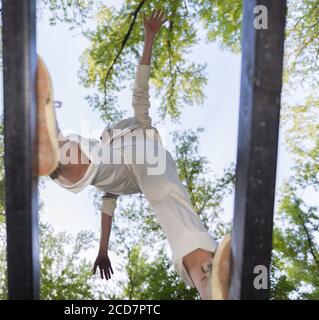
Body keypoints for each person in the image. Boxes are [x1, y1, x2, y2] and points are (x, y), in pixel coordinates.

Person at [35, 9, 231, 300]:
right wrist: (102, 249)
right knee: (160, 194)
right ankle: (53, 149)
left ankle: (207, 277)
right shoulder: (100, 145)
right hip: (110, 165)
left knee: (165, 194)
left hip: (145, 159)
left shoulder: (140, 124)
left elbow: (141, 90)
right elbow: (107, 205)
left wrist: (149, 38)